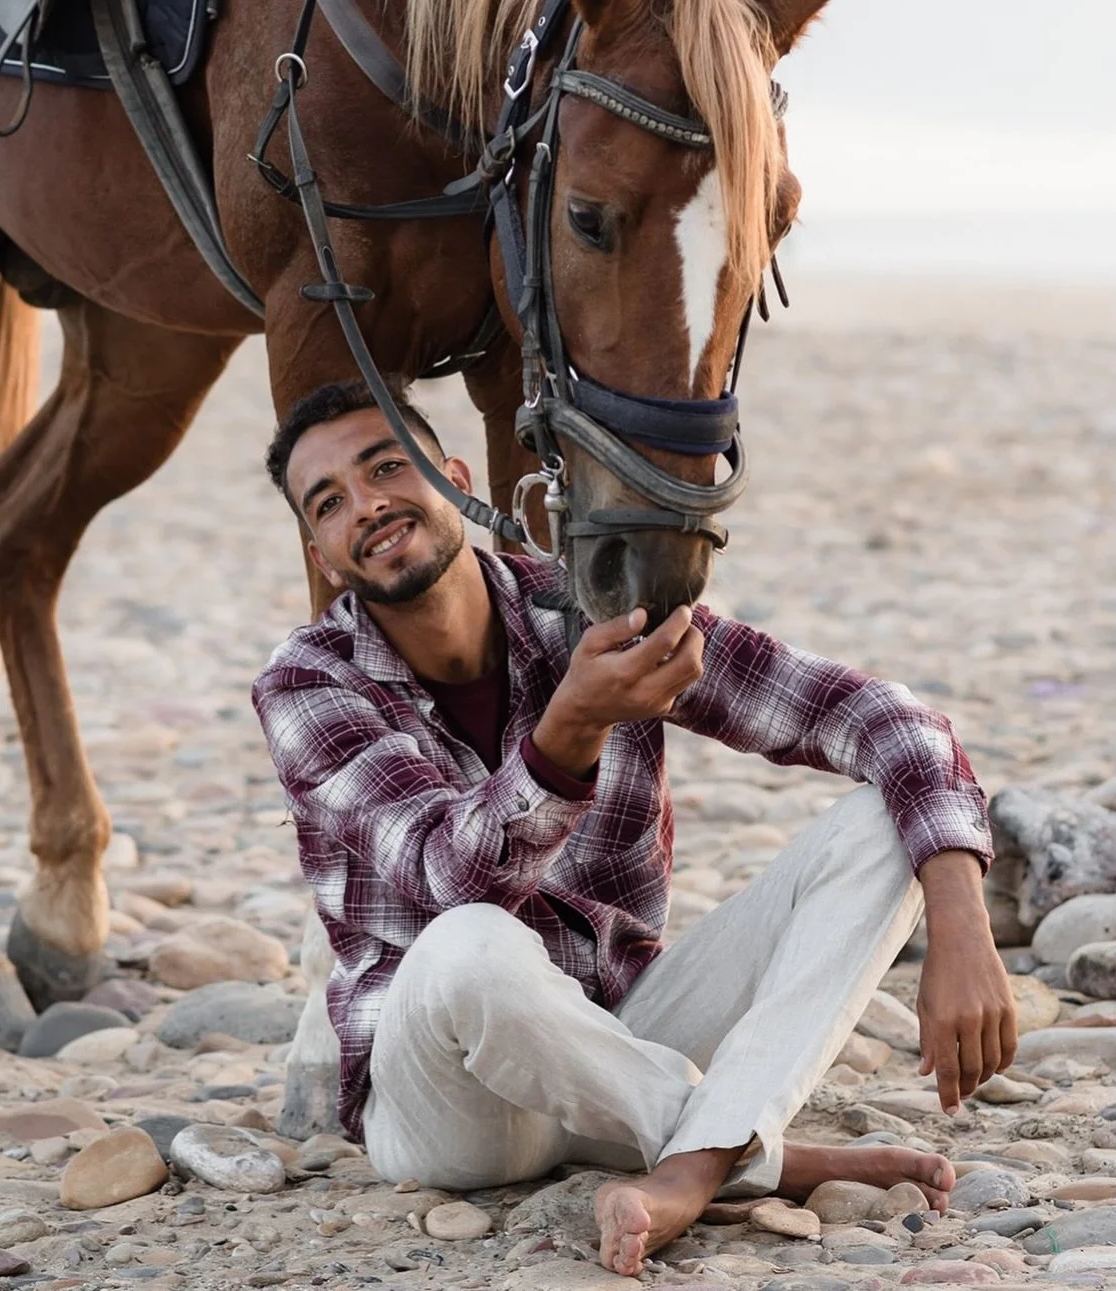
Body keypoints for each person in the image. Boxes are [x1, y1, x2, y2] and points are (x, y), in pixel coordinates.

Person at [251, 381, 1015, 1278]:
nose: (368, 504)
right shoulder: (306, 685)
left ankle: (694, 1149)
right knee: (469, 942)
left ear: (452, 478)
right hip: (451, 1099)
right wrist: (568, 731)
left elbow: (871, 713)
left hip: (615, 1033)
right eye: (330, 501)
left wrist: (961, 914)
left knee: (885, 819)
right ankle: (731, 1151)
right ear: (323, 554)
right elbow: (451, 878)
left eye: (387, 467)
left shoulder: (587, 610)